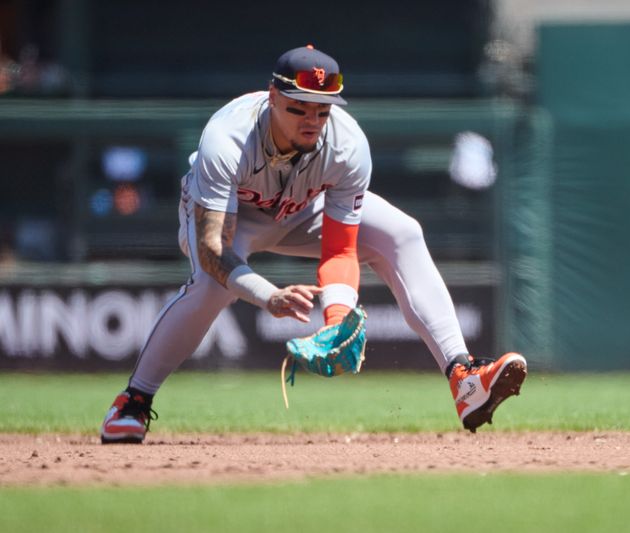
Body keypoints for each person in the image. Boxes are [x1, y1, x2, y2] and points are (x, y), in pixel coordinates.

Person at [100, 45, 527, 443]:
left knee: (402, 234)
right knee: (211, 286)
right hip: (233, 218)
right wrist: (269, 296)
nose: (312, 119)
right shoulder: (227, 138)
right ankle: (134, 401)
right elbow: (213, 250)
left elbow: (341, 249)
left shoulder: (347, 145)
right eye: (298, 107)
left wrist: (337, 317)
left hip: (303, 208)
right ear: (272, 97)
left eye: (322, 109)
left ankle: (464, 378)